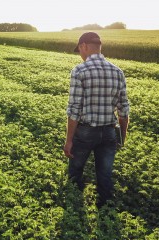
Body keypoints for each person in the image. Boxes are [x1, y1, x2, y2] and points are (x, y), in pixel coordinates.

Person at [63, 32, 130, 208]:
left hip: (85, 132)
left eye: (79, 50)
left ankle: (74, 207)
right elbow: (123, 110)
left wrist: (69, 140)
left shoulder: (79, 71)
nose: (80, 54)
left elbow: (74, 109)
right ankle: (104, 209)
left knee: (75, 170)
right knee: (105, 174)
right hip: (109, 132)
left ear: (84, 46)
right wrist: (121, 138)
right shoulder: (117, 72)